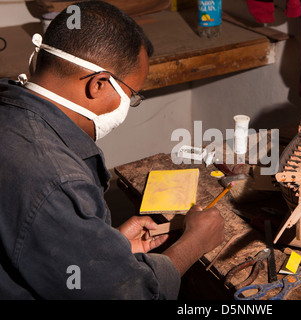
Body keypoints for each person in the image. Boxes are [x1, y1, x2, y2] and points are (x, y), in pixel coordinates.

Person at [0, 1, 224, 299]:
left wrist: (106, 245)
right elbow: (130, 296)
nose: (129, 106)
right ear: (99, 84)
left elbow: (35, 236)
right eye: (131, 96)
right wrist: (194, 243)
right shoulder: (59, 180)